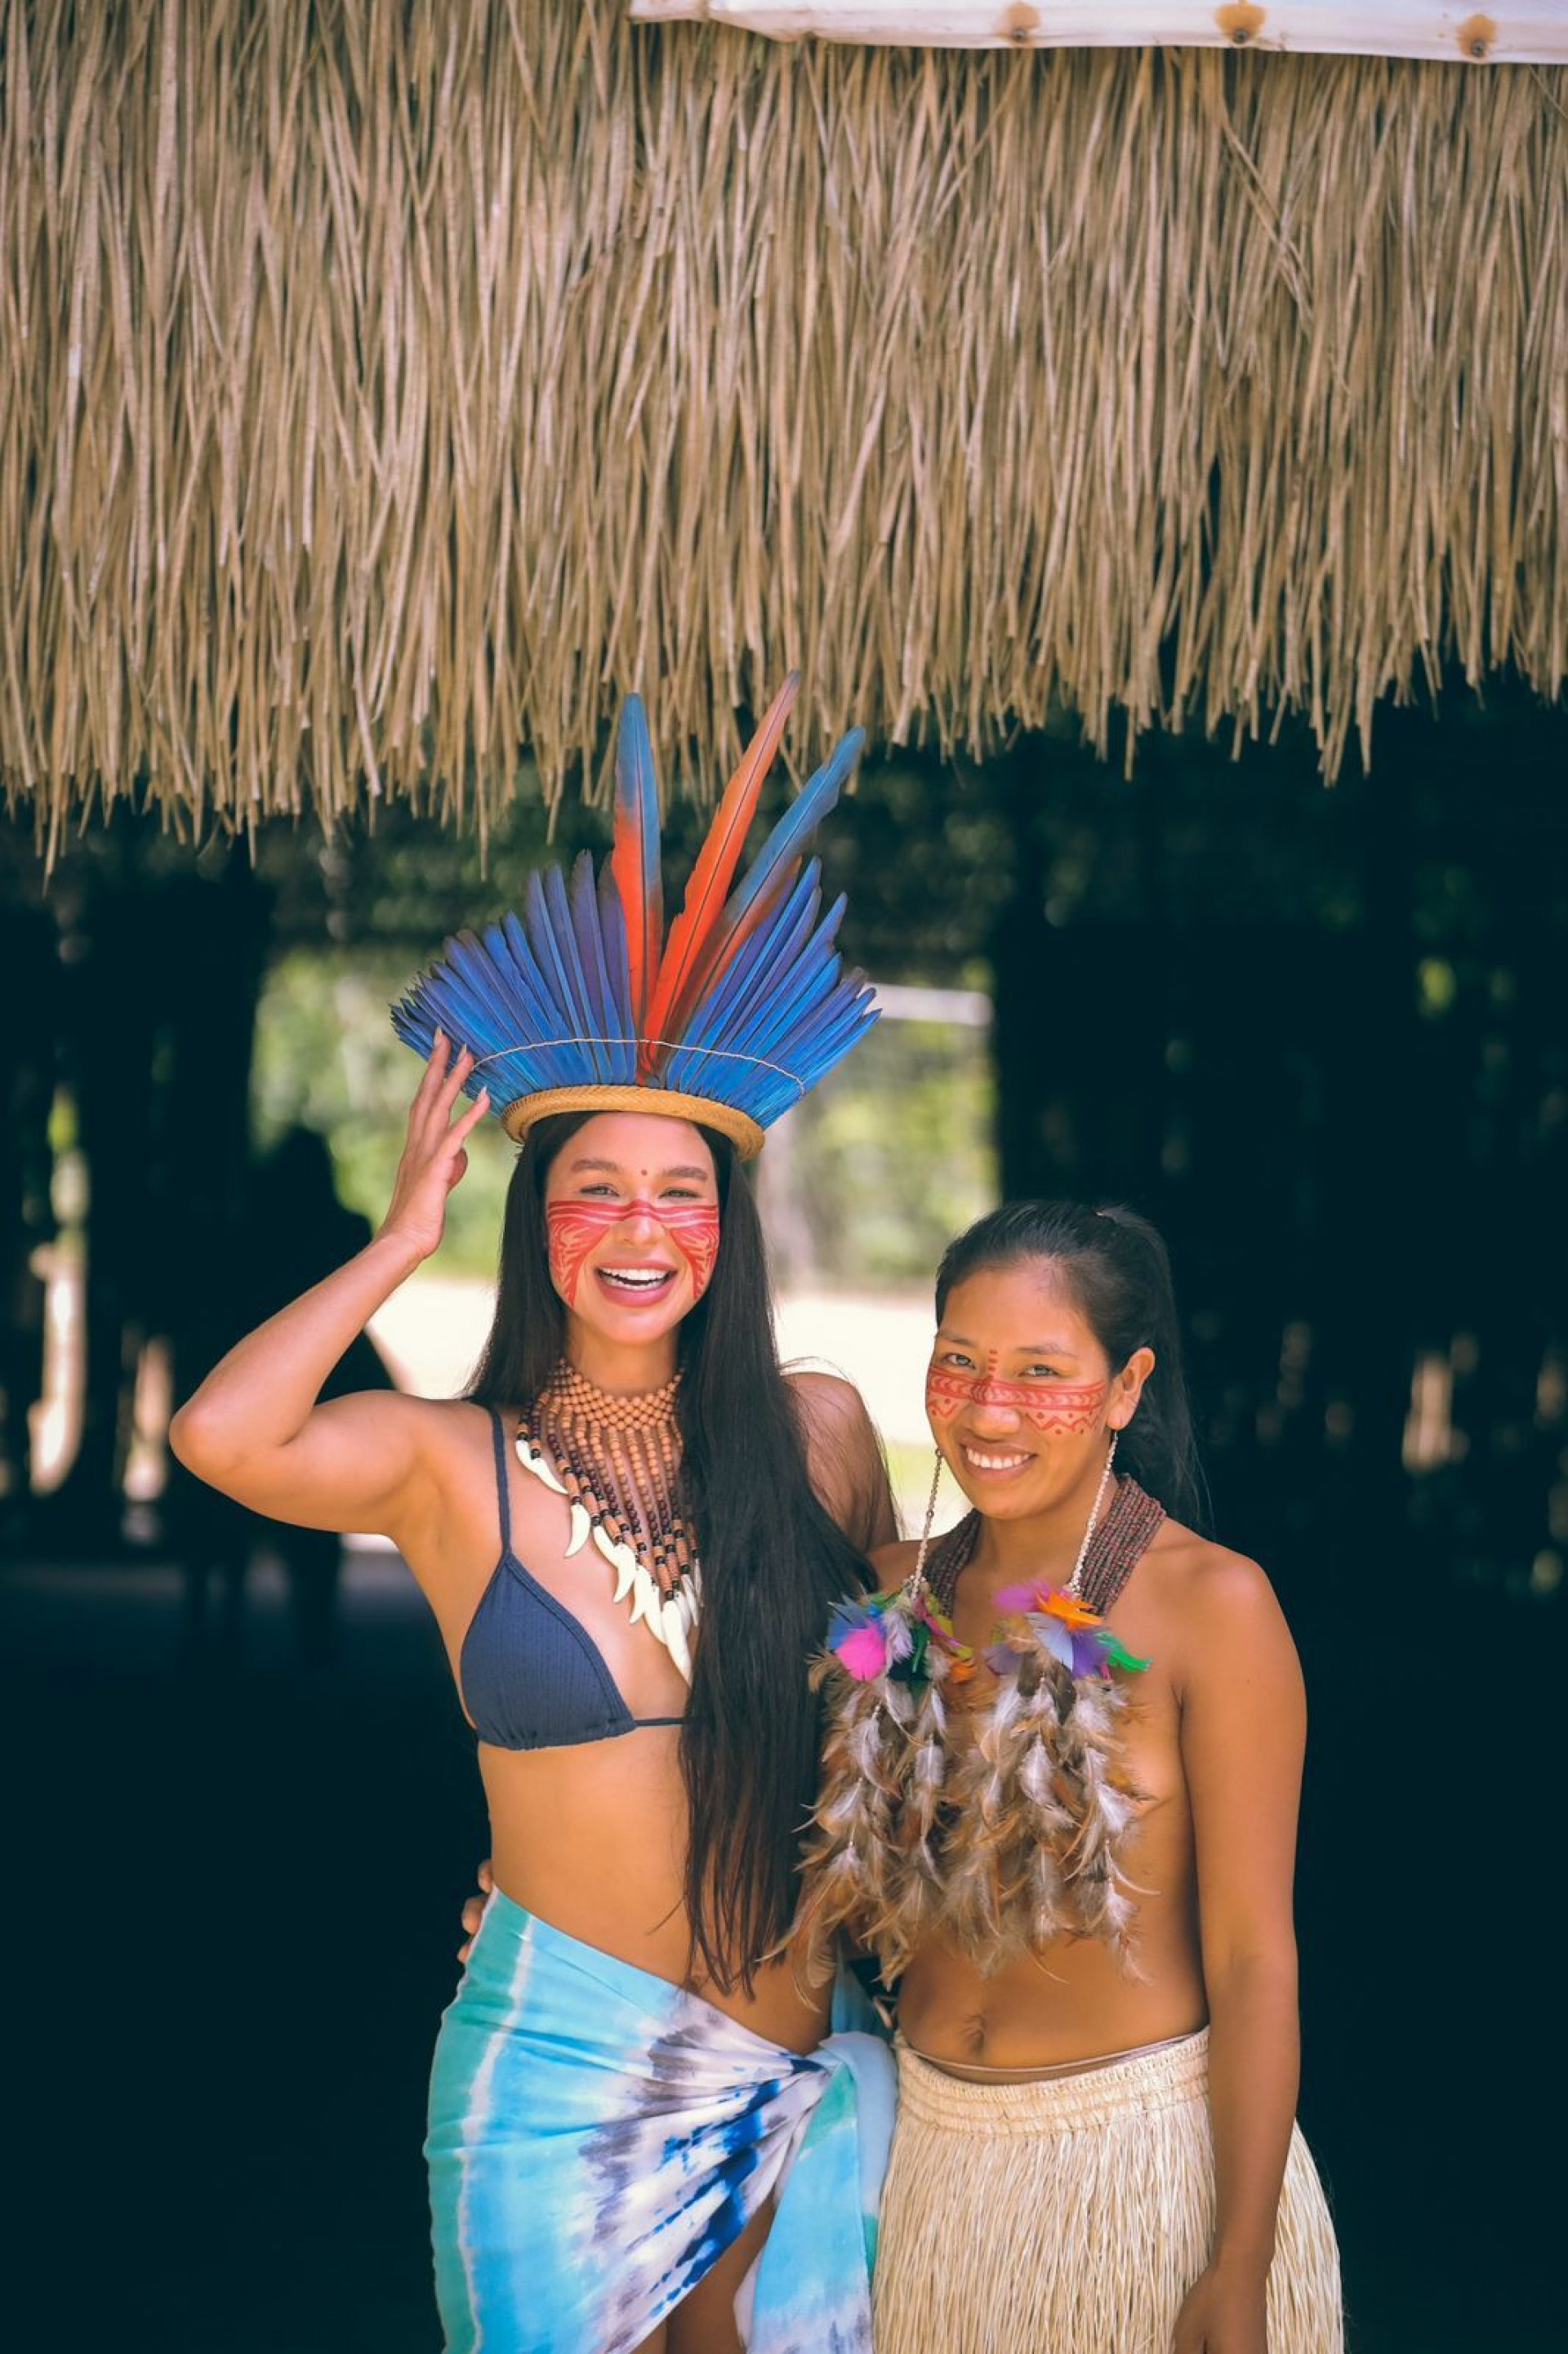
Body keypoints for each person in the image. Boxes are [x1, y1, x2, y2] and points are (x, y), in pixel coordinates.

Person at [170, 681, 898, 2354]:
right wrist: (396, 1232)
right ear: (537, 1218)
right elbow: (222, 1434)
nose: (639, 1226)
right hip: (554, 2095)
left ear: (730, 1222)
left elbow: (895, 1686)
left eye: (679, 1191)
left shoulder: (818, 1436)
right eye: (594, 1188)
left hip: (808, 2073)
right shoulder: (449, 1463)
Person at [793, 1200, 1343, 2354]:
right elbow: (743, 1789)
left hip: (1147, 2177)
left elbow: (1254, 1955)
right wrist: (529, 1906)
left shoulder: (1213, 1609)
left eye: (1041, 1371)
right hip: (936, 2174)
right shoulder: (889, 1603)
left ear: (1126, 1386)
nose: (990, 1407)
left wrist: (1236, 2262)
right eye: (961, 1360)